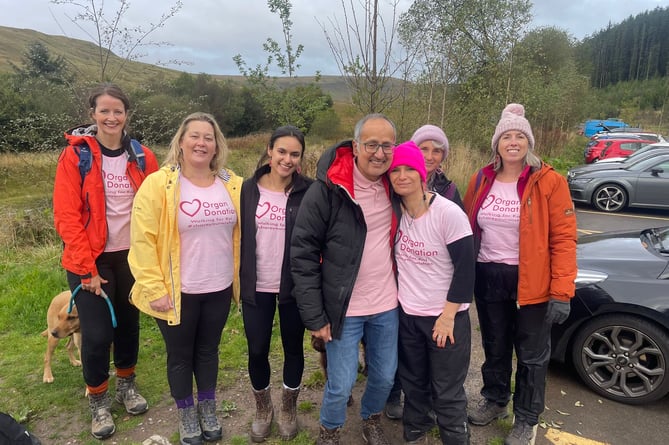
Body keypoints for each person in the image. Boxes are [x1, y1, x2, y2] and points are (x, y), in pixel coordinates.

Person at [462, 104, 577, 445]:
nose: (513, 142)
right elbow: (464, 227)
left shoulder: (550, 182)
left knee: (531, 355)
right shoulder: (482, 179)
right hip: (488, 276)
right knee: (495, 346)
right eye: (506, 136)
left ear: (529, 142)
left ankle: (526, 417)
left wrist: (562, 291)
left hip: (533, 282)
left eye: (520, 136)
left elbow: (564, 238)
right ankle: (496, 400)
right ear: (496, 143)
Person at [128, 112, 242, 445]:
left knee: (208, 351)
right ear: (181, 141)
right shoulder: (159, 184)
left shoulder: (231, 183)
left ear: (216, 145)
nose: (201, 143)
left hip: (219, 287)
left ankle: (208, 408)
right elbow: (142, 238)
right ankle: (186, 412)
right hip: (178, 290)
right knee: (180, 355)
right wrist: (153, 288)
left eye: (209, 137)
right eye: (194, 136)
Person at [53, 83, 158, 439]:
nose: (112, 117)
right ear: (92, 114)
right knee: (97, 334)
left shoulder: (142, 156)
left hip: (132, 258)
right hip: (90, 259)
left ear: (127, 115)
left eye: (118, 111)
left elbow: (157, 206)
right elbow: (66, 216)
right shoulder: (75, 157)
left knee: (128, 325)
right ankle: (98, 399)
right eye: (105, 111)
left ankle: (127, 384)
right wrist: (86, 269)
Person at [291, 113, 400, 445]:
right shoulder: (327, 190)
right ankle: (330, 429)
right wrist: (314, 316)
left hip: (386, 304)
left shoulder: (396, 185)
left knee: (384, 376)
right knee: (340, 383)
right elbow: (303, 253)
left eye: (387, 145)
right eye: (371, 145)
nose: (379, 153)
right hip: (343, 308)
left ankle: (371, 418)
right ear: (355, 146)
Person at [389, 140, 475, 445]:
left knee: (447, 392)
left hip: (444, 318)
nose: (402, 176)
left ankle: (455, 437)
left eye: (409, 168)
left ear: (422, 172)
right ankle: (415, 432)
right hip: (408, 317)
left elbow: (466, 271)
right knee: (413, 385)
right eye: (395, 170)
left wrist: (448, 316)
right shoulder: (394, 213)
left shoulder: (448, 214)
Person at [239, 126, 314, 442]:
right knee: (257, 350)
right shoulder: (247, 189)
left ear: (300, 158)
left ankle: (288, 409)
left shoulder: (309, 191)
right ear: (269, 150)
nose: (287, 159)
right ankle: (263, 409)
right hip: (256, 286)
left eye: (294, 154)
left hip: (293, 287)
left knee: (293, 349)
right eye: (281, 151)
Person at [412, 124, 464, 209]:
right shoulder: (399, 182)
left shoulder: (449, 190)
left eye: (436, 151)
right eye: (424, 149)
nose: (429, 157)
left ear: (442, 156)